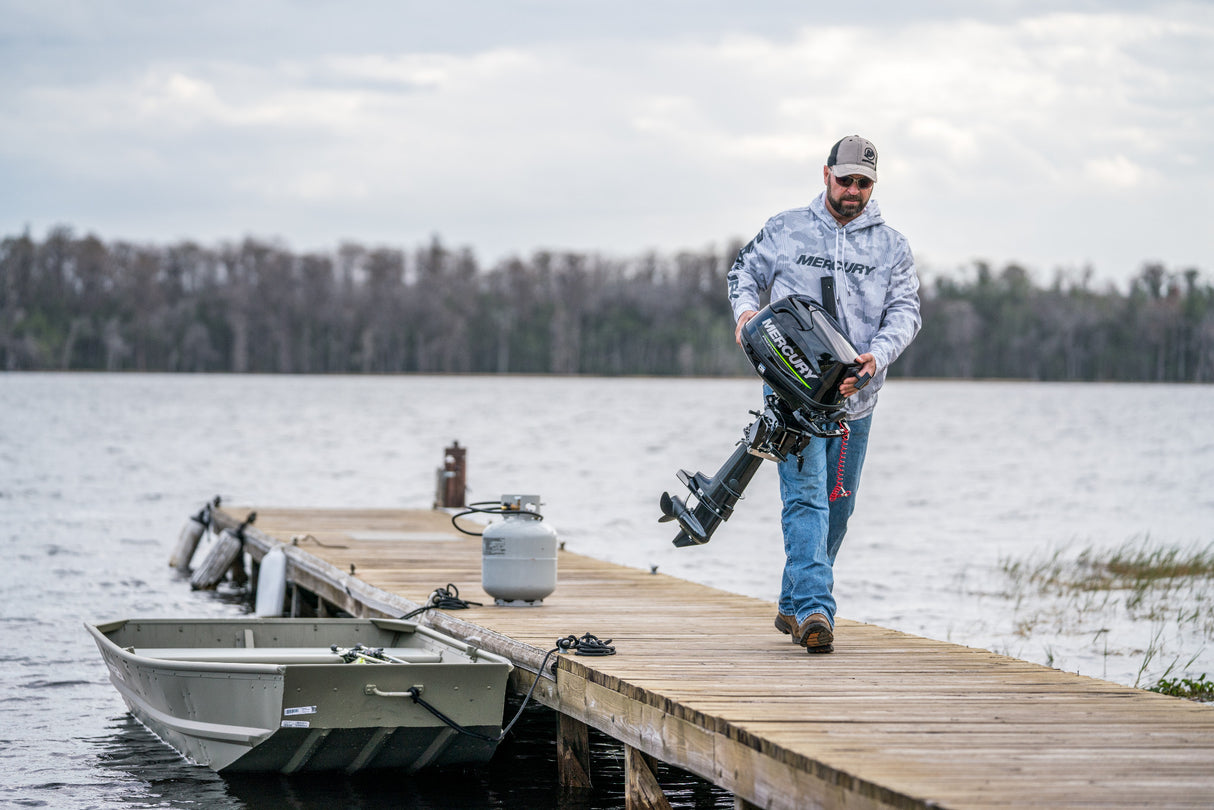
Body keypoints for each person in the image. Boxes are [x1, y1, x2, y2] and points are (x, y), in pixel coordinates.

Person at [726, 135, 921, 654]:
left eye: (863, 182)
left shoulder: (892, 246)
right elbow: (742, 272)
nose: (853, 191)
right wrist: (745, 312)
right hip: (792, 398)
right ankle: (816, 610)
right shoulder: (786, 228)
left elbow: (906, 312)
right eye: (845, 180)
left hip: (857, 399)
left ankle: (793, 603)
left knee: (839, 507)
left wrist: (876, 356)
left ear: (873, 185)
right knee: (806, 498)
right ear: (826, 174)